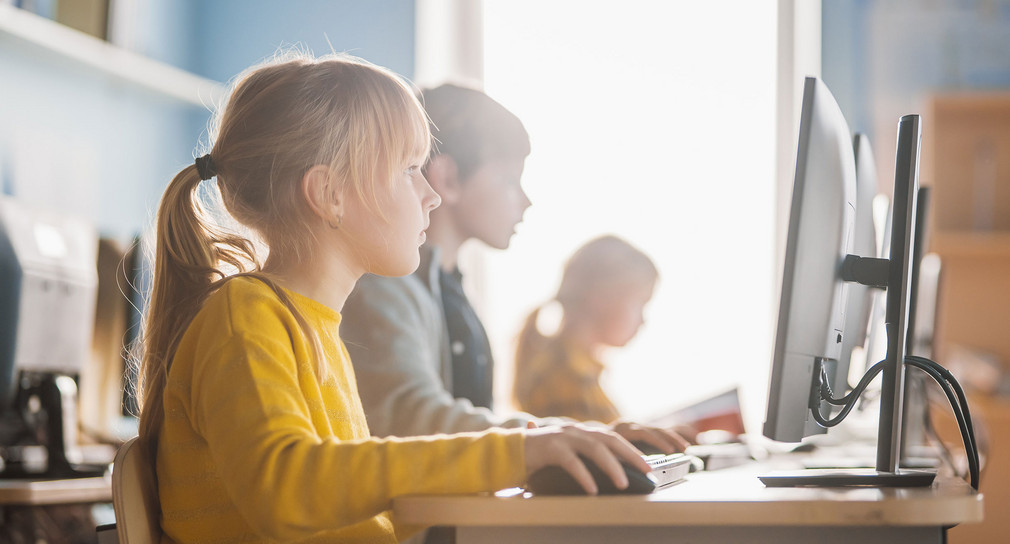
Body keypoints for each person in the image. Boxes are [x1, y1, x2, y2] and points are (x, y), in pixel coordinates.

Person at [135, 53, 650, 544]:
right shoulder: (245, 317)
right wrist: (514, 452)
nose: (429, 194)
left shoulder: (312, 325)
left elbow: (352, 514)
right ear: (329, 194)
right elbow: (287, 489)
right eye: (408, 169)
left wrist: (542, 450)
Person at [342, 84, 688, 452]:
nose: (525, 200)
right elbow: (408, 419)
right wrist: (555, 436)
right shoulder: (387, 286)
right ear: (449, 179)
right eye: (509, 180)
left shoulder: (452, 293)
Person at [513, 235, 658, 422]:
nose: (642, 321)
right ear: (602, 297)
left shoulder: (580, 372)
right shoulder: (563, 380)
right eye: (640, 303)